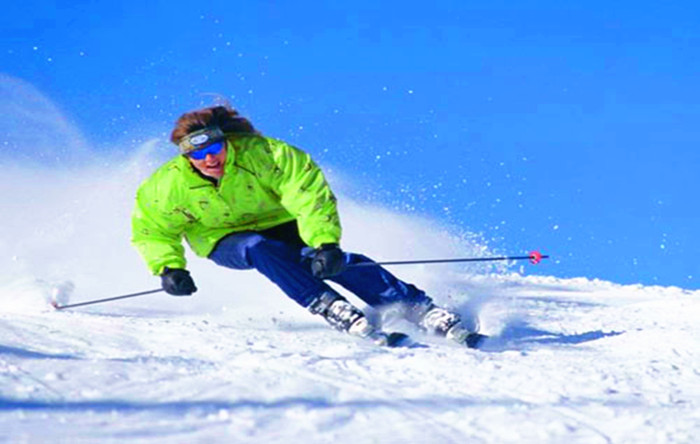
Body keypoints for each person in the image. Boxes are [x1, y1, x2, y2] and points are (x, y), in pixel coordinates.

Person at [131, 105, 481, 347]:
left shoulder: (265, 154)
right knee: (257, 248)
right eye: (198, 155)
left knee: (322, 259)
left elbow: (307, 193)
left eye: (216, 147)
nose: (211, 159)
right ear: (185, 158)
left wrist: (326, 244)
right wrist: (169, 268)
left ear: (226, 142)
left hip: (282, 221)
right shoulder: (165, 186)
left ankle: (414, 306)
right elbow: (153, 229)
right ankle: (329, 305)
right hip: (224, 238)